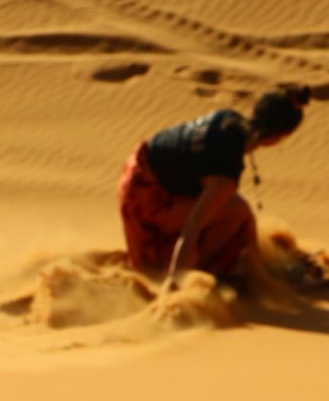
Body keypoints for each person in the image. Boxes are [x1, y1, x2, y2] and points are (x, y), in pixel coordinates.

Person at [117, 85, 310, 285]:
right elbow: (192, 228)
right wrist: (174, 286)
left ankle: (258, 268)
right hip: (144, 200)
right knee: (239, 213)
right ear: (279, 137)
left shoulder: (228, 118)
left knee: (232, 208)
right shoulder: (225, 173)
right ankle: (205, 273)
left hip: (133, 170)